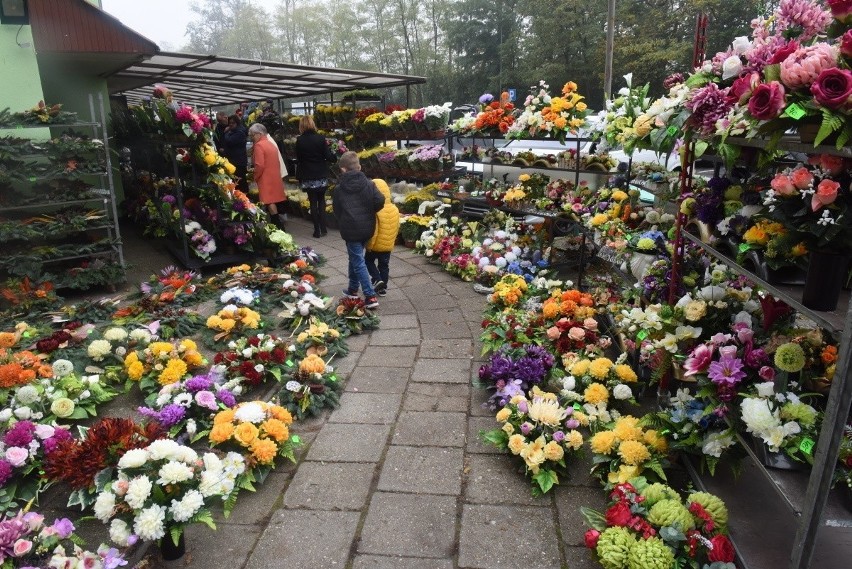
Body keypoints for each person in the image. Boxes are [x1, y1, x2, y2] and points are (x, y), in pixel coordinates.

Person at [332, 151, 385, 309]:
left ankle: (370, 296)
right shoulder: (369, 183)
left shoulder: (339, 189)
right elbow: (380, 200)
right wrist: (370, 211)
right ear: (359, 166)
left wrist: (343, 219)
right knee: (355, 258)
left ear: (343, 169)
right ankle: (352, 289)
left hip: (350, 229)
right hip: (367, 227)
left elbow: (336, 209)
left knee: (358, 261)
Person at [295, 115, 336, 238]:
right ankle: (324, 228)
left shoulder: (300, 140)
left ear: (301, 126)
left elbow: (299, 159)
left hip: (307, 175)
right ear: (312, 124)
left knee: (312, 202)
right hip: (320, 174)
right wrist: (334, 154)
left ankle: (316, 230)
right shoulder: (320, 138)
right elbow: (328, 156)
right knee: (321, 200)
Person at [248, 123, 287, 229]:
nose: (251, 138)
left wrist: (255, 176)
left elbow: (259, 165)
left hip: (265, 178)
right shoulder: (270, 143)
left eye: (252, 135)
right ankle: (279, 225)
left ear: (259, 134)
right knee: (274, 201)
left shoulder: (259, 145)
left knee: (269, 202)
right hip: (275, 176)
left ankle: (278, 227)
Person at [365, 179, 399, 296]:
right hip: (388, 245)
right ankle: (382, 288)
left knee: (368, 261)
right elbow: (396, 227)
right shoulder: (395, 209)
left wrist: (369, 245)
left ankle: (377, 278)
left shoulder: (376, 210)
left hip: (376, 245)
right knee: (384, 266)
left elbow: (375, 231)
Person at [222, 115, 248, 191]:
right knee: (236, 182)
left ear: (237, 123)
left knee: (240, 182)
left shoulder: (240, 132)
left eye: (233, 123)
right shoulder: (234, 131)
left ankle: (245, 198)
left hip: (238, 162)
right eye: (229, 123)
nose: (230, 125)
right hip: (235, 161)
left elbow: (230, 141)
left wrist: (226, 133)